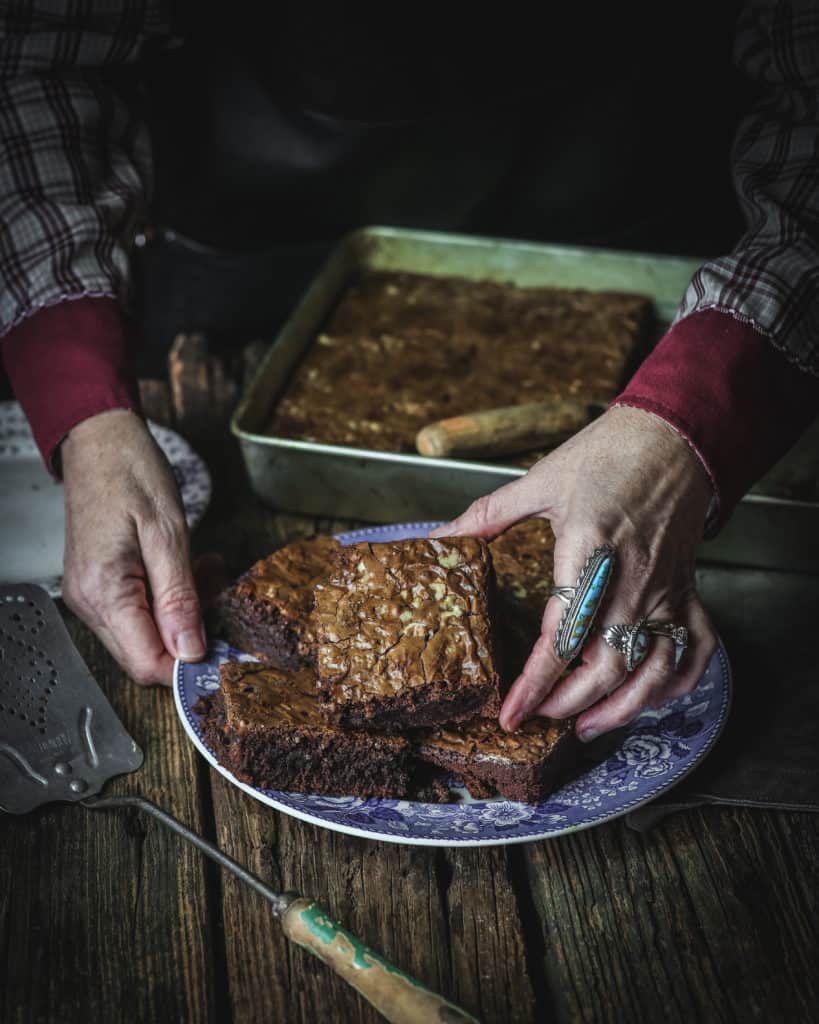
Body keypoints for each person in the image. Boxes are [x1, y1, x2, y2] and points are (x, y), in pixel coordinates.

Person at [1, 3, 818, 744]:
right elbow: (37, 58)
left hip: (650, 229)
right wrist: (84, 408)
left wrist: (688, 416)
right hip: (249, 259)